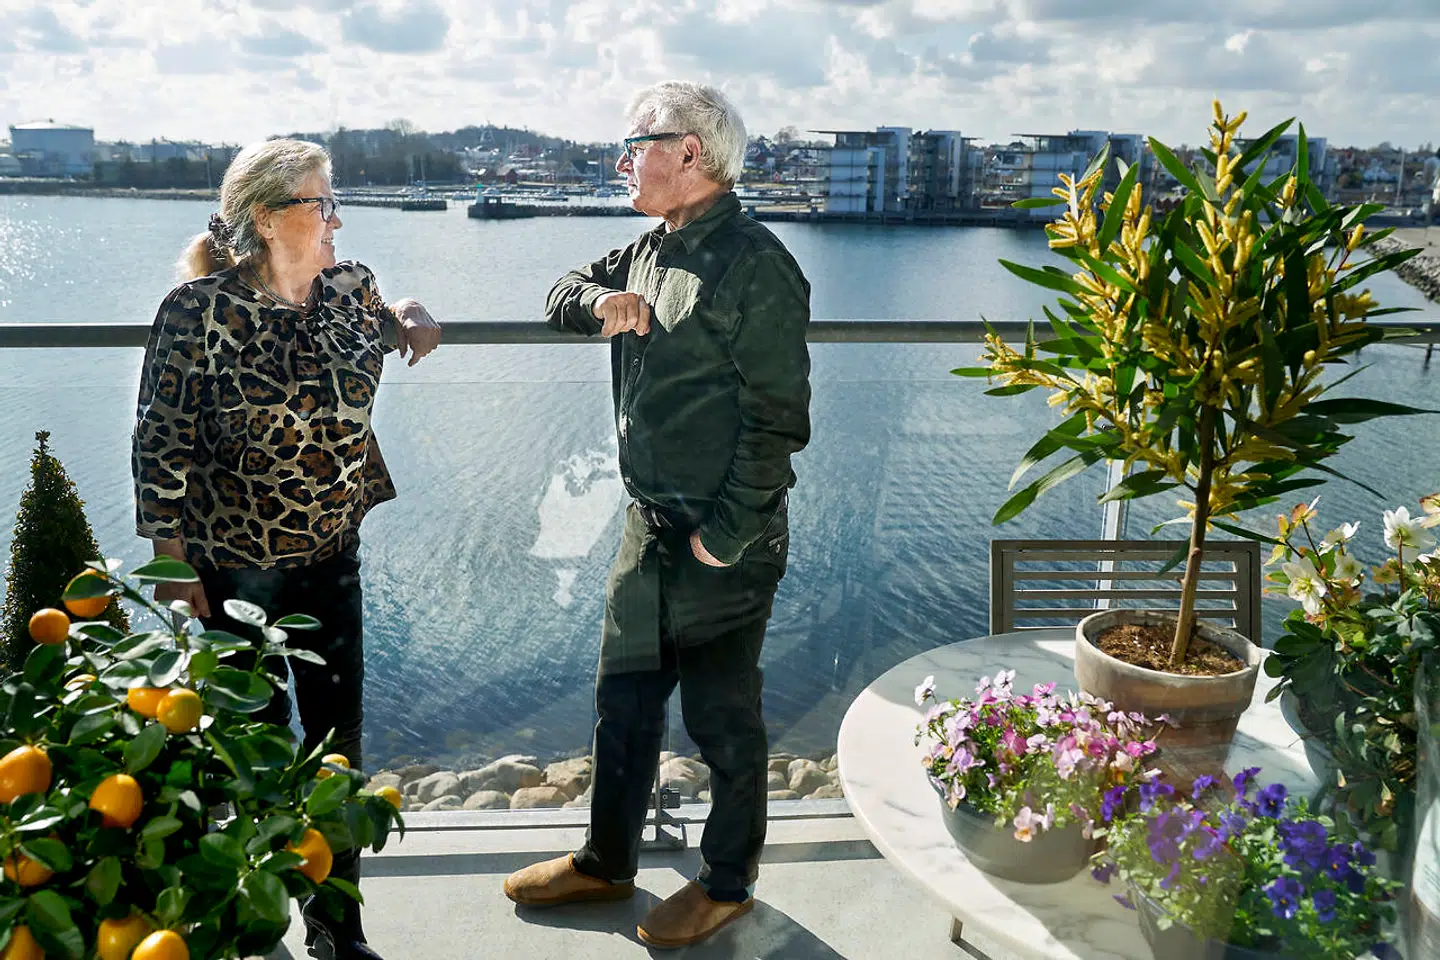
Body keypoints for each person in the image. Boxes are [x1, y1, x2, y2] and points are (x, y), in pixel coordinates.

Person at [504, 81, 812, 949]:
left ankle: (727, 884)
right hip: (646, 531)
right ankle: (607, 861)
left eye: (636, 143)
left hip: (722, 543)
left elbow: (778, 420)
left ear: (690, 153)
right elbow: (562, 289)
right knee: (625, 703)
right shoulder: (648, 250)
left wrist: (727, 535)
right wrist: (597, 303)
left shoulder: (757, 265)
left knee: (722, 717)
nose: (622, 160)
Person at [131, 138, 440, 960]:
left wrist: (409, 311)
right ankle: (259, 920)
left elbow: (384, 316)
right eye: (321, 203)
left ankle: (339, 930)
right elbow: (160, 442)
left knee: (339, 749)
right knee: (258, 750)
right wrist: (172, 561)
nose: (336, 218)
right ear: (267, 220)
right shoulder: (197, 311)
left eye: (334, 201)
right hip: (236, 566)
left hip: (333, 554)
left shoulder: (349, 287)